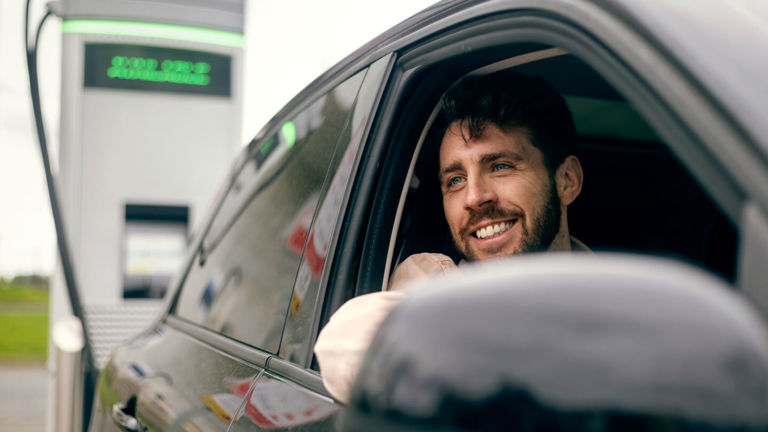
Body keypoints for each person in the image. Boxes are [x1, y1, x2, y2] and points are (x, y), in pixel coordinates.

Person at [314, 69, 587, 402]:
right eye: (455, 180)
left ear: (567, 181)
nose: (474, 197)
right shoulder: (435, 282)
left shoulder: (619, 295)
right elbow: (340, 346)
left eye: (500, 166)